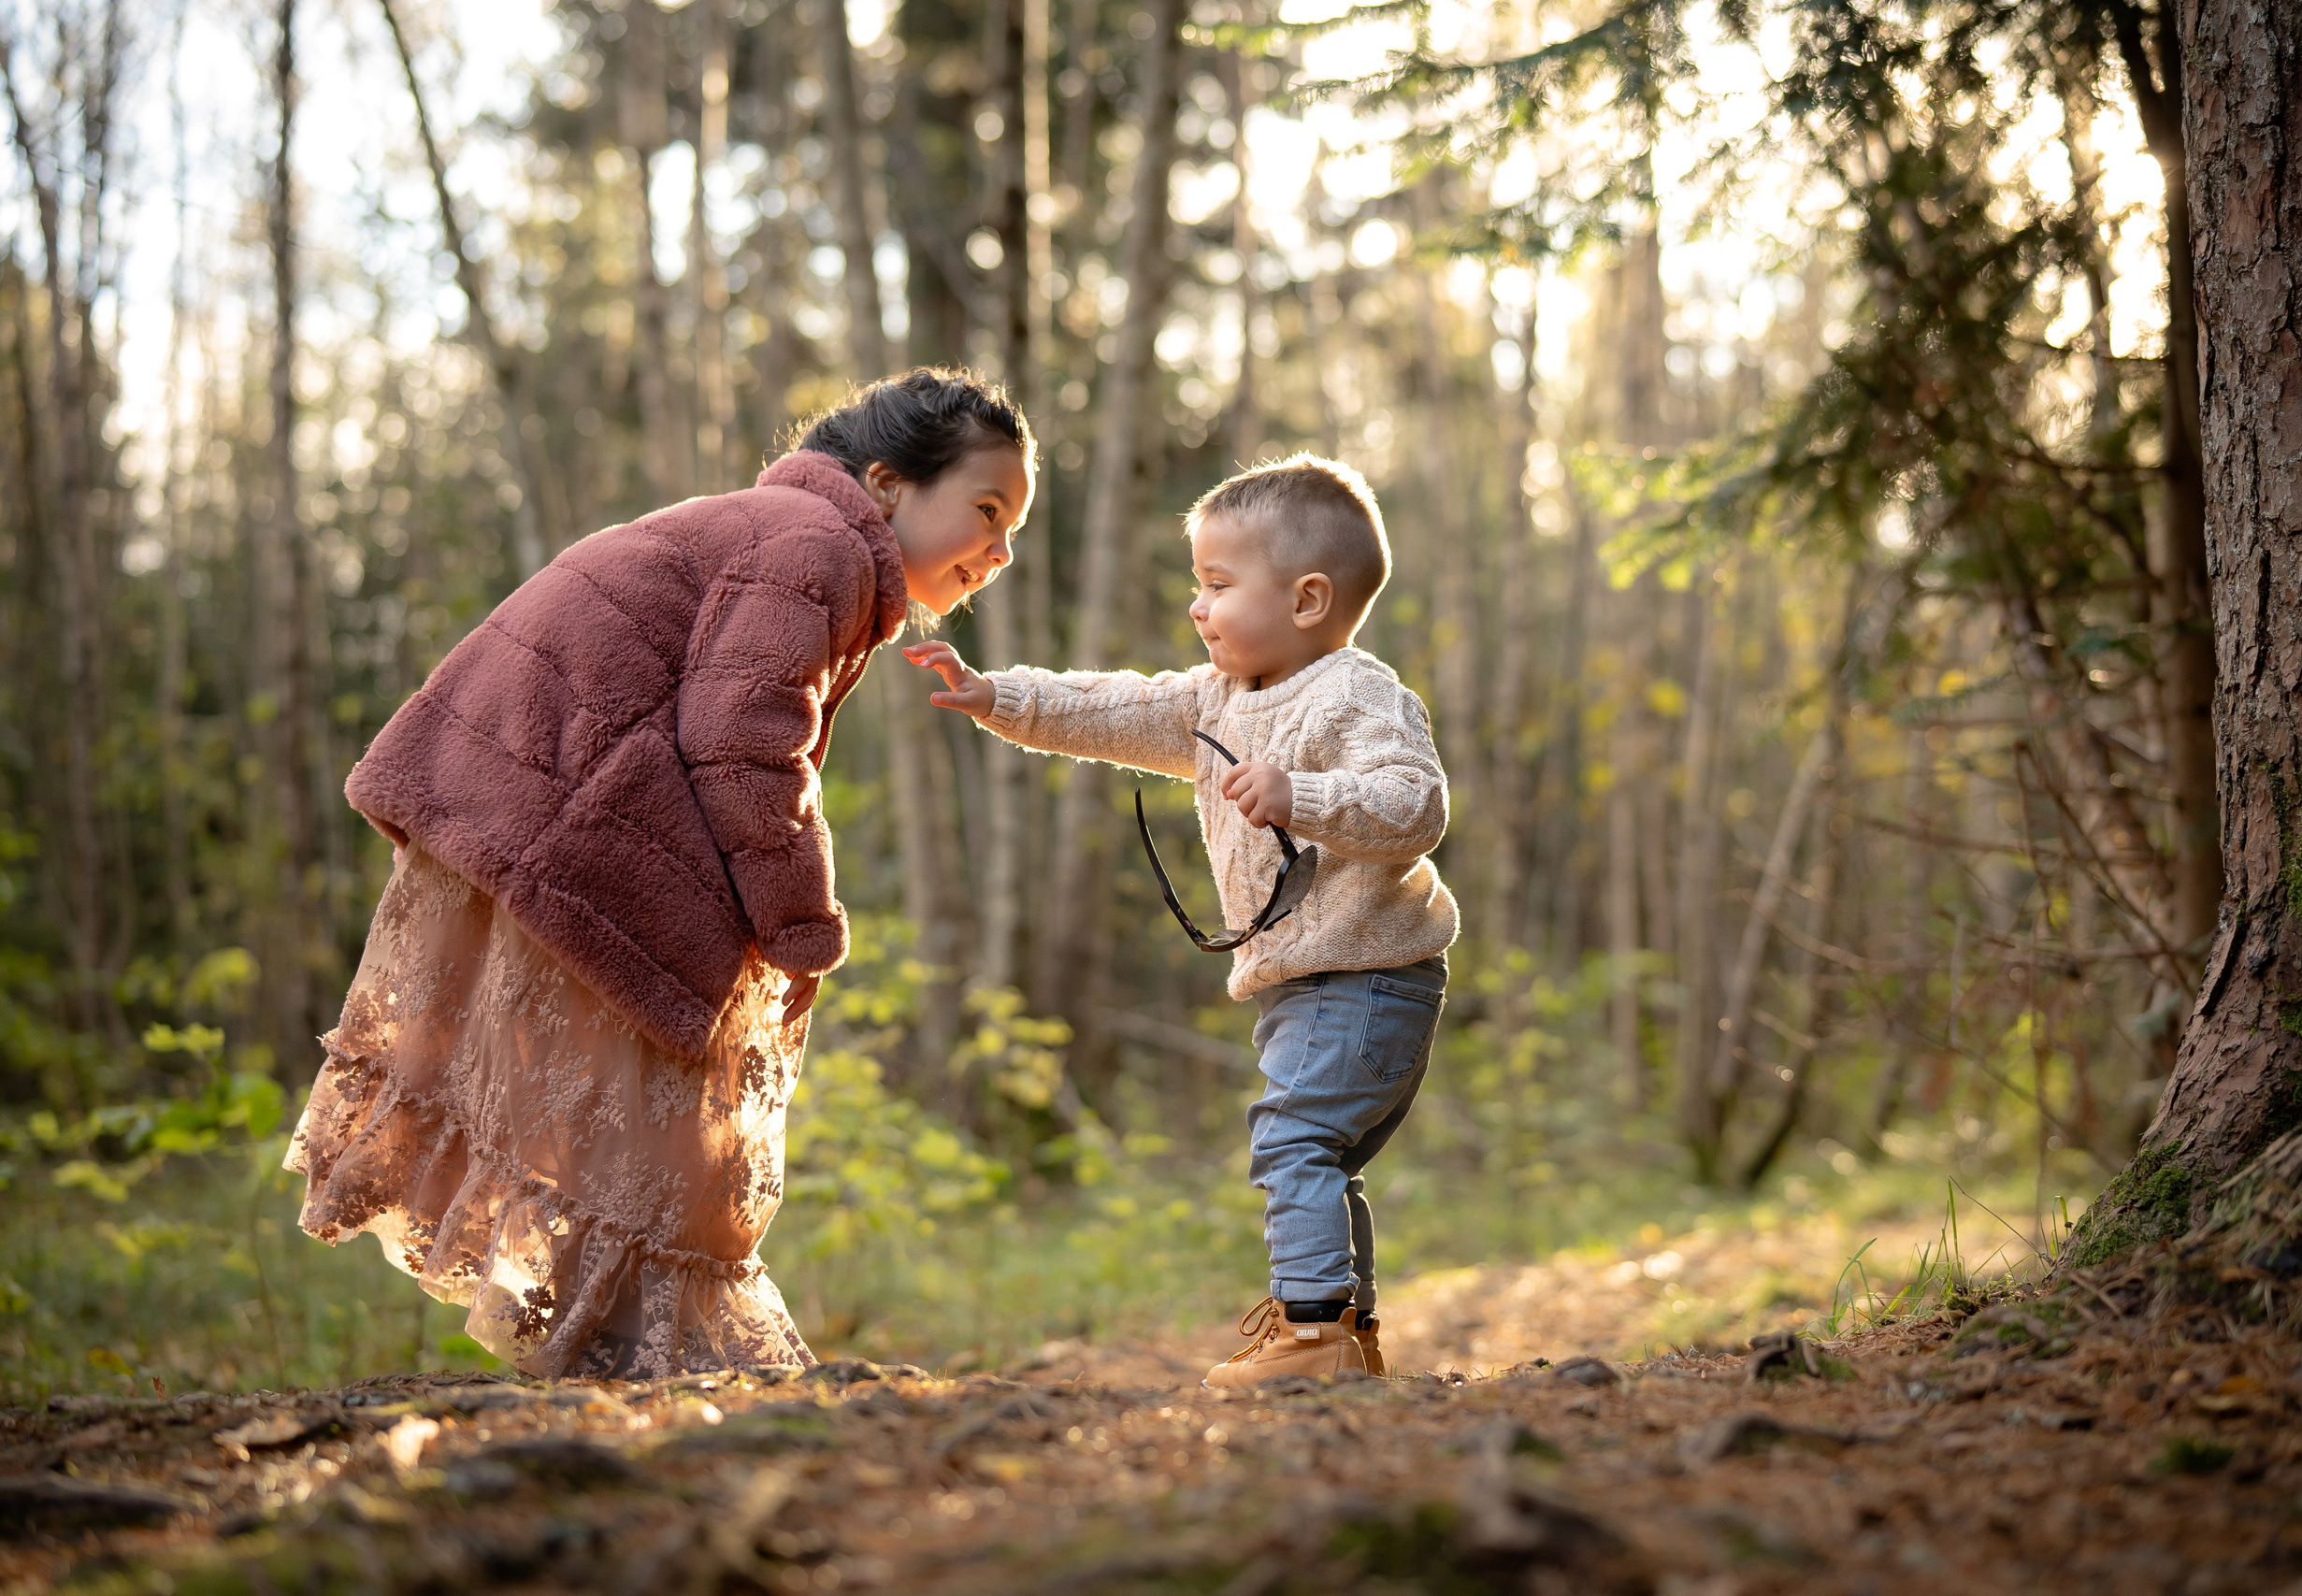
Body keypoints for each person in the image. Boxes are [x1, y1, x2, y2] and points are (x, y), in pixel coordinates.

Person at [283, 368, 1032, 1379]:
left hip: (541, 815)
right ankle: (661, 1372)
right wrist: (802, 924)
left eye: (1012, 533)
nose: (998, 553)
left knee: (645, 1129)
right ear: (890, 485)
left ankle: (638, 1365)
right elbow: (741, 743)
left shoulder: (794, 536)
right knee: (672, 1135)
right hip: (559, 823)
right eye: (986, 512)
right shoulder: (812, 548)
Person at [909, 453, 1457, 1390]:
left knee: (1291, 1140)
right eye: (1195, 586)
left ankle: (1314, 1335)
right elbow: (1110, 705)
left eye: (1216, 586)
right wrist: (996, 695)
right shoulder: (1214, 699)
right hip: (1305, 981)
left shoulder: (1357, 696)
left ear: (1307, 599)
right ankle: (1342, 1332)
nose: (1197, 608)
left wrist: (1302, 793)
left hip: (1368, 976)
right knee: (1317, 1154)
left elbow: (1416, 806)